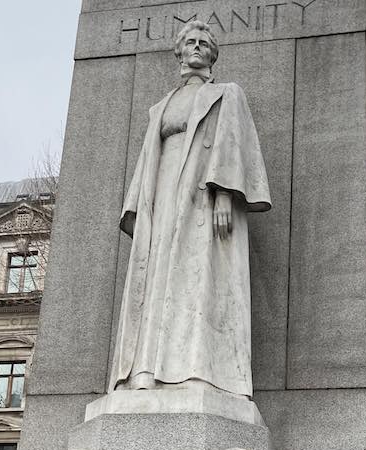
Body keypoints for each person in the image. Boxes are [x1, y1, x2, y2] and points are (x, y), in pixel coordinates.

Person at [110, 21, 271, 399]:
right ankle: (145, 371)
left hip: (202, 198)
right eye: (190, 42)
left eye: (203, 43)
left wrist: (226, 195)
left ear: (212, 53)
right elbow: (149, 159)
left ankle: (199, 372)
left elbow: (233, 144)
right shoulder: (160, 108)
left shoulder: (227, 94)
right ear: (179, 52)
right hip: (162, 201)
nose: (196, 47)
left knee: (199, 284)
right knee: (156, 284)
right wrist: (138, 210)